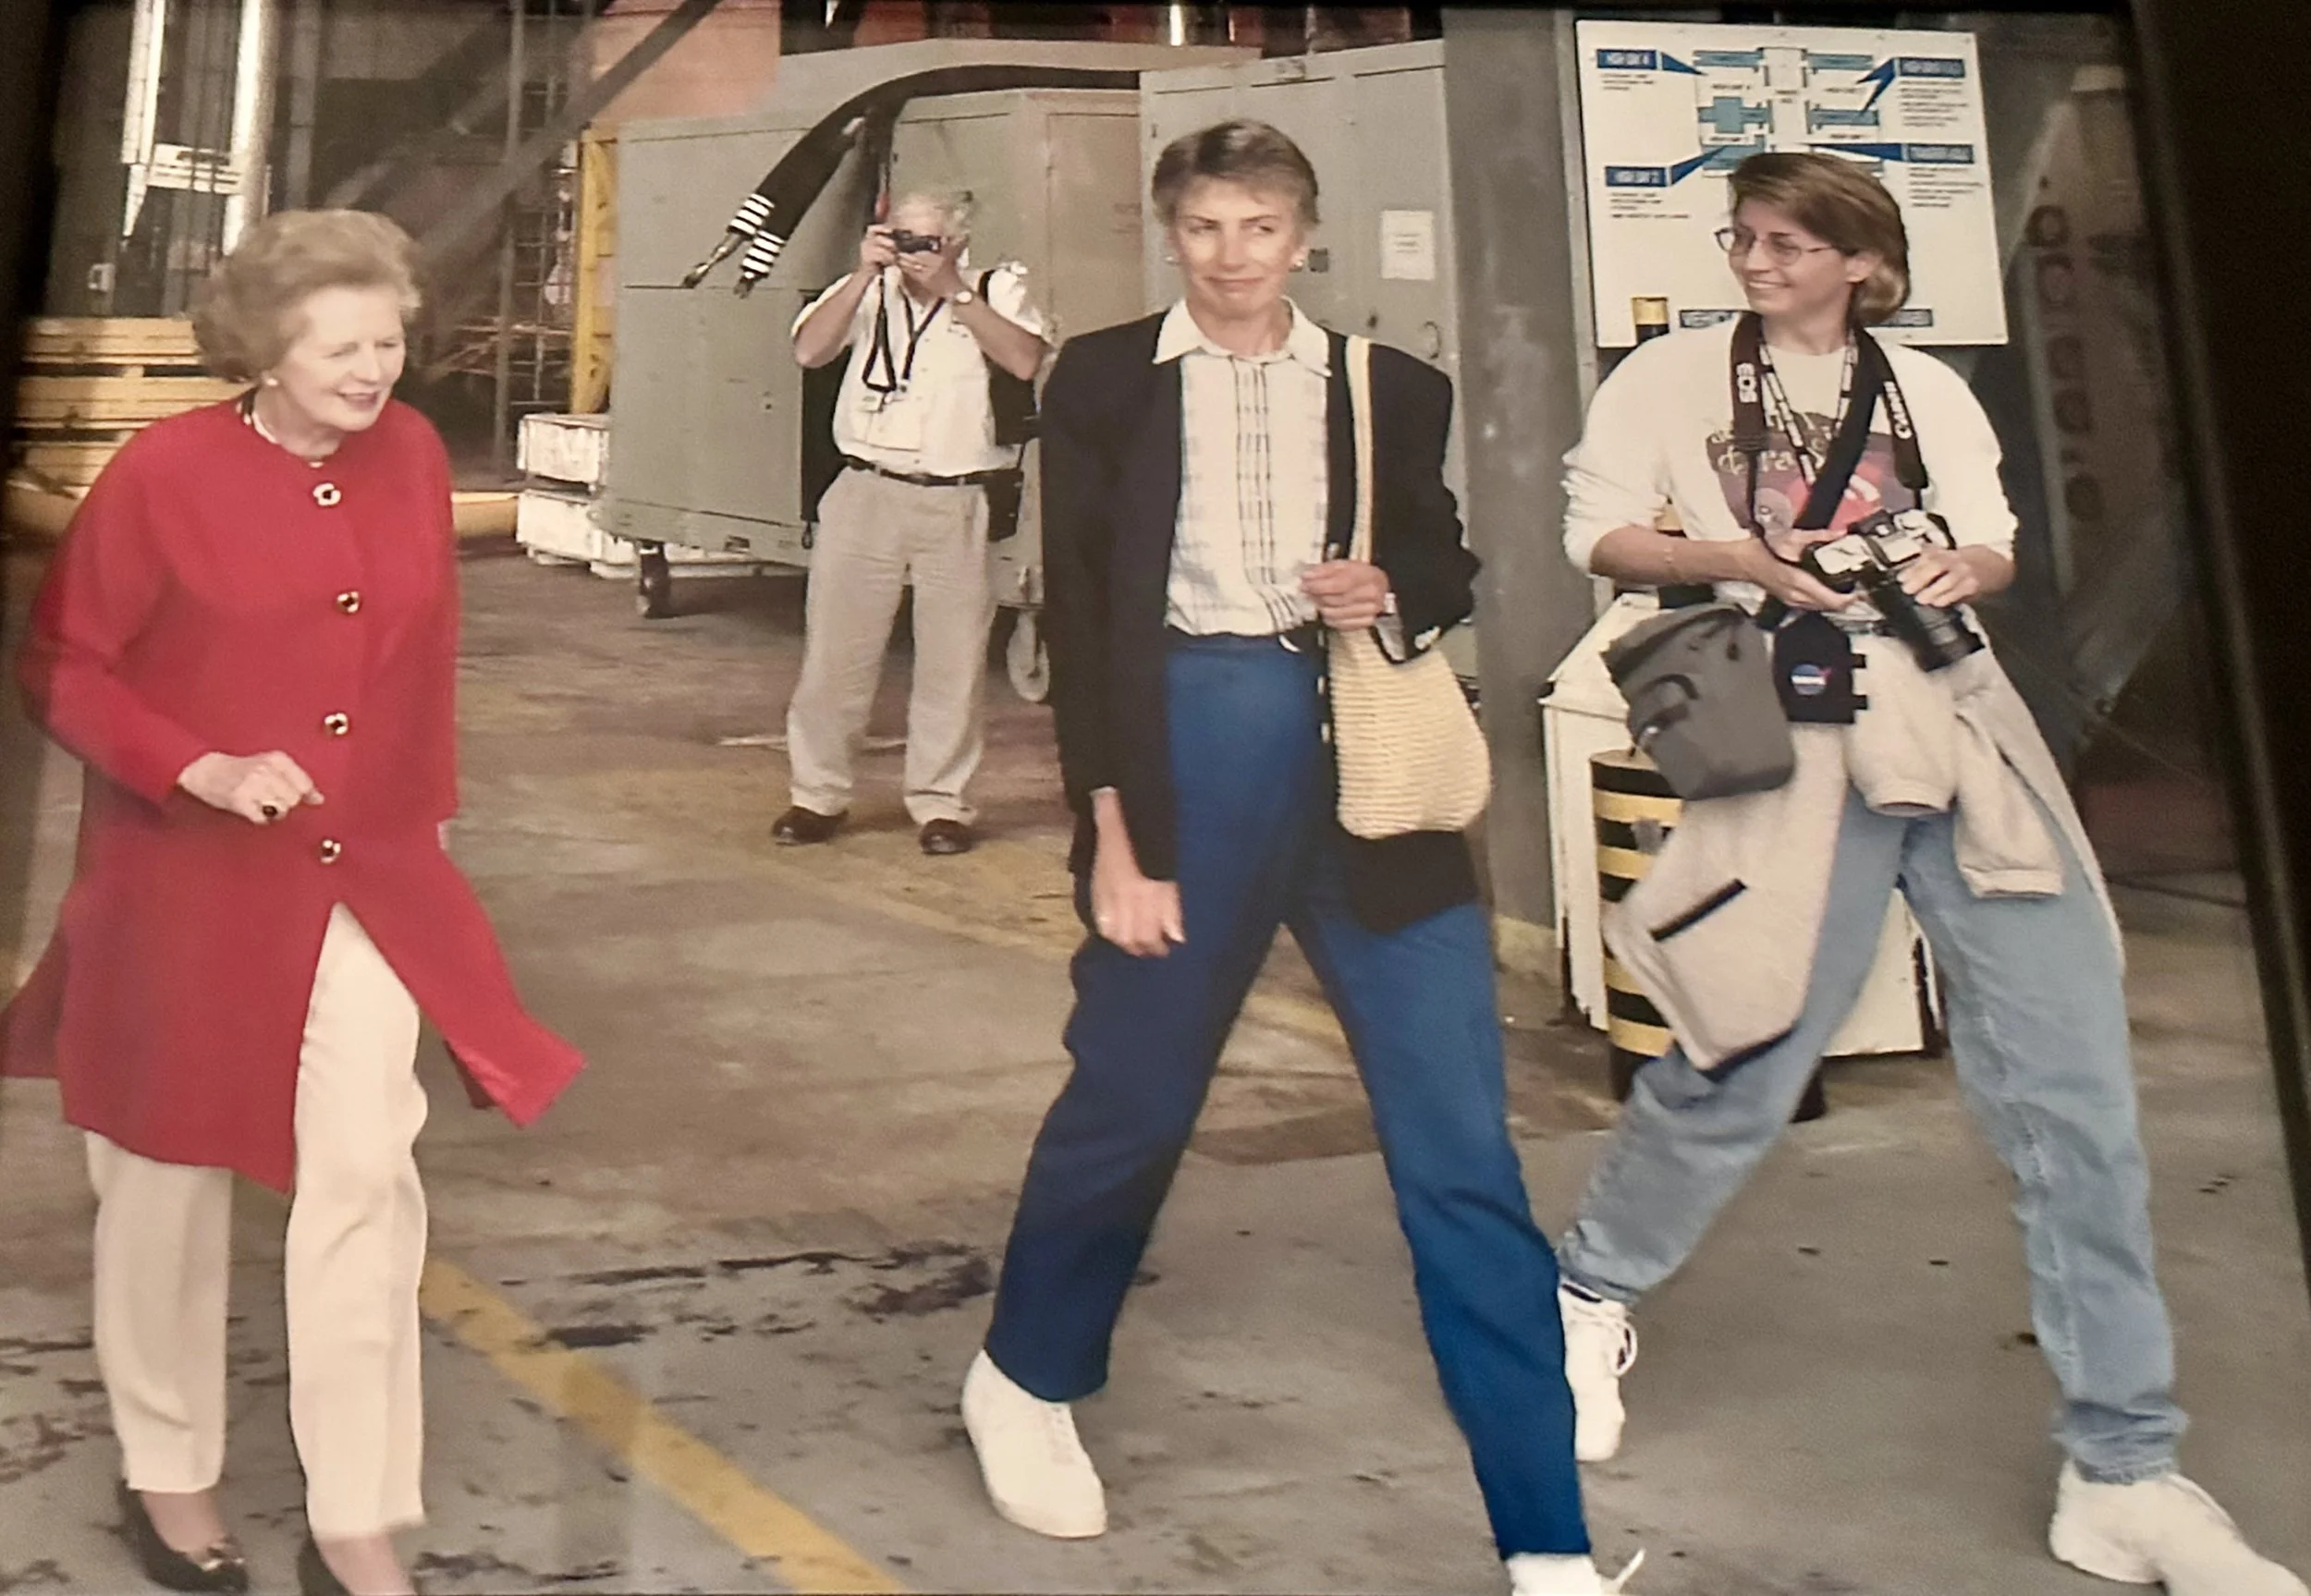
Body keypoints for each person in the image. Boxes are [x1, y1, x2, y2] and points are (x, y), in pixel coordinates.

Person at [1553, 150, 2305, 1596]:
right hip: (1788, 738)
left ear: (1861, 264)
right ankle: (1586, 1290)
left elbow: (1998, 541)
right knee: (1741, 1054)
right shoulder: (1672, 378)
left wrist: (1964, 569)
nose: (1757, 264)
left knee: (2074, 1093)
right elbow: (1597, 525)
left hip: (1959, 730)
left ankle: (2126, 1465)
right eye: (1744, 239)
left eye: (1785, 243)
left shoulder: (1932, 390)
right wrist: (1749, 558)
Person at [957, 120, 1634, 1596]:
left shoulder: (1390, 385)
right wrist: (1117, 836)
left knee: (1461, 1141)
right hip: (1187, 745)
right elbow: (1080, 612)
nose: (1233, 255)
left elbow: (1448, 561)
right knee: (1133, 1101)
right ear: (1170, 233)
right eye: (1204, 226)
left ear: (1306, 237)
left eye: (1261, 226)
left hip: (1366, 764)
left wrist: (1391, 584)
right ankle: (1024, 1371)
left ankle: (1548, 1542)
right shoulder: (1103, 380)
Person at [0, 210, 584, 1596]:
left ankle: (361, 1510)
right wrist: (191, 760)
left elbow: (421, 659)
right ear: (262, 351)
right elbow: (64, 666)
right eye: (340, 347)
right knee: (162, 1177)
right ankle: (173, 1468)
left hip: (362, 873)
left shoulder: (417, 456)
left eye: (387, 342)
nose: (374, 370)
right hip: (179, 882)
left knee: (366, 1174)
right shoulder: (164, 473)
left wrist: (416, 819)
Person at [777, 189, 1050, 857]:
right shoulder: (869, 289)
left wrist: (956, 292)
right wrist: (865, 274)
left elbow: (1025, 360)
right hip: (866, 487)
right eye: (902, 238)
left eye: (926, 241)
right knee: (835, 656)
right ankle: (817, 794)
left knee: (952, 661)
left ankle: (942, 803)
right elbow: (810, 352)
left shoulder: (995, 287)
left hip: (956, 494)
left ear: (956, 242)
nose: (913, 255)